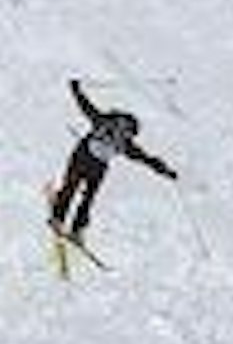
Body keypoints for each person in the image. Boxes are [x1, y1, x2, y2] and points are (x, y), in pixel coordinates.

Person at [49, 79, 176, 239]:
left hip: (92, 162)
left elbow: (145, 158)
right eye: (127, 132)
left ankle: (71, 225)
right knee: (77, 191)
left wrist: (164, 170)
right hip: (86, 159)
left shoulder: (113, 132)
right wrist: (76, 90)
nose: (125, 134)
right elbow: (85, 106)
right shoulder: (110, 129)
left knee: (81, 193)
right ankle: (62, 220)